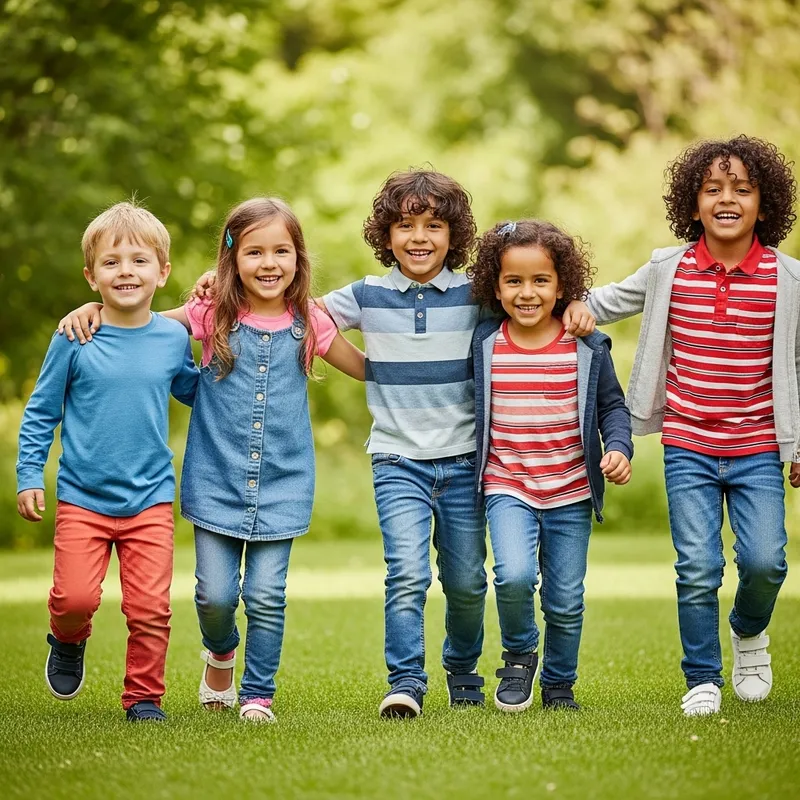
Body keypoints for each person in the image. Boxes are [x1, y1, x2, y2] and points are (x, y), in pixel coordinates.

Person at [57, 197, 366, 723]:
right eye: (254, 252)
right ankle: (220, 651)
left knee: (267, 596)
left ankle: (257, 696)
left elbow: (366, 369)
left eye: (282, 251)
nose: (269, 263)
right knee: (214, 596)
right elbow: (142, 323)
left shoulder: (311, 321)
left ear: (298, 257)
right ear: (232, 258)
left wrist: (433, 359)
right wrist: (93, 312)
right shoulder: (209, 313)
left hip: (283, 482)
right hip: (216, 477)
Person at [563, 135, 799, 716]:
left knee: (767, 561)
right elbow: (612, 299)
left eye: (741, 190)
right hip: (688, 444)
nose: (726, 199)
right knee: (697, 565)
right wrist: (572, 303)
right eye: (712, 189)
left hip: (759, 446)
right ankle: (703, 678)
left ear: (764, 206)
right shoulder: (669, 268)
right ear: (691, 205)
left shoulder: (787, 279)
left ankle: (748, 632)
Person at [17, 201, 199, 722]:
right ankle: (68, 639)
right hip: (83, 498)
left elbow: (194, 390)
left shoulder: (171, 338)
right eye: (112, 262)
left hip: (150, 499)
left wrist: (236, 359)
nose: (126, 271)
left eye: (139, 261)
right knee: (74, 599)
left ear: (162, 272)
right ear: (90, 275)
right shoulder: (74, 336)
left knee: (149, 609)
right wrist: (30, 472)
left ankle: (143, 698)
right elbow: (41, 412)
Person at [319, 169, 489, 717]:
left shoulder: (475, 293)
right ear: (385, 235)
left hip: (465, 460)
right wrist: (370, 370)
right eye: (405, 224)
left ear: (453, 234)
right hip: (397, 459)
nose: (419, 237)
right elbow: (301, 316)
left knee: (465, 581)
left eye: (434, 225)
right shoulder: (366, 295)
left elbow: (535, 305)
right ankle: (406, 682)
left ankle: (462, 671)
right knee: (408, 573)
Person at [469, 219, 632, 712]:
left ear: (562, 285)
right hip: (508, 484)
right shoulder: (484, 344)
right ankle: (519, 655)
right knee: (513, 576)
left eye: (541, 280)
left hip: (571, 490)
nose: (527, 292)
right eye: (513, 281)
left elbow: (612, 407)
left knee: (565, 599)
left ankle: (560, 682)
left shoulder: (586, 345)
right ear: (495, 288)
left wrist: (620, 447)